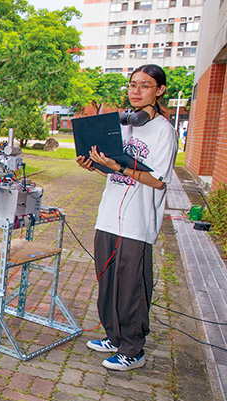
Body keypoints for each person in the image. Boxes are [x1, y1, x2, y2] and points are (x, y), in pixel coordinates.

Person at [75, 64, 177, 371]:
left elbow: (159, 180)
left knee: (132, 286)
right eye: (133, 85)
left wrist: (119, 168)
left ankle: (133, 349)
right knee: (107, 281)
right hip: (108, 215)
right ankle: (113, 336)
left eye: (144, 85)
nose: (136, 91)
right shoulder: (123, 125)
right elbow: (112, 163)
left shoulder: (164, 132)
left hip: (137, 222)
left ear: (159, 90)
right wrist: (94, 163)